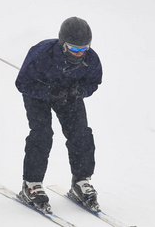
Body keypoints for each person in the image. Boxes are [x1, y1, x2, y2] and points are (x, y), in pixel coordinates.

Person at [15, 17, 103, 213]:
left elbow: (93, 82)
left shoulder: (91, 59)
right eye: (74, 48)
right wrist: (48, 92)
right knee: (42, 134)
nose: (79, 53)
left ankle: (81, 181)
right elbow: (22, 84)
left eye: (83, 49)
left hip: (69, 96)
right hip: (38, 95)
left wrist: (81, 91)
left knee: (81, 133)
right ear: (63, 44)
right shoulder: (41, 53)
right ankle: (31, 184)